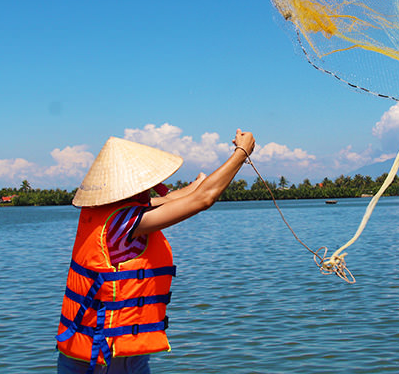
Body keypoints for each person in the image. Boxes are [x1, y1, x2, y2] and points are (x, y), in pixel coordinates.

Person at [56, 129, 255, 374]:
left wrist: (196, 185)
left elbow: (172, 199)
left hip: (84, 349)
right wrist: (241, 153)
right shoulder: (124, 222)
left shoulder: (100, 213)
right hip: (108, 358)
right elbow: (203, 199)